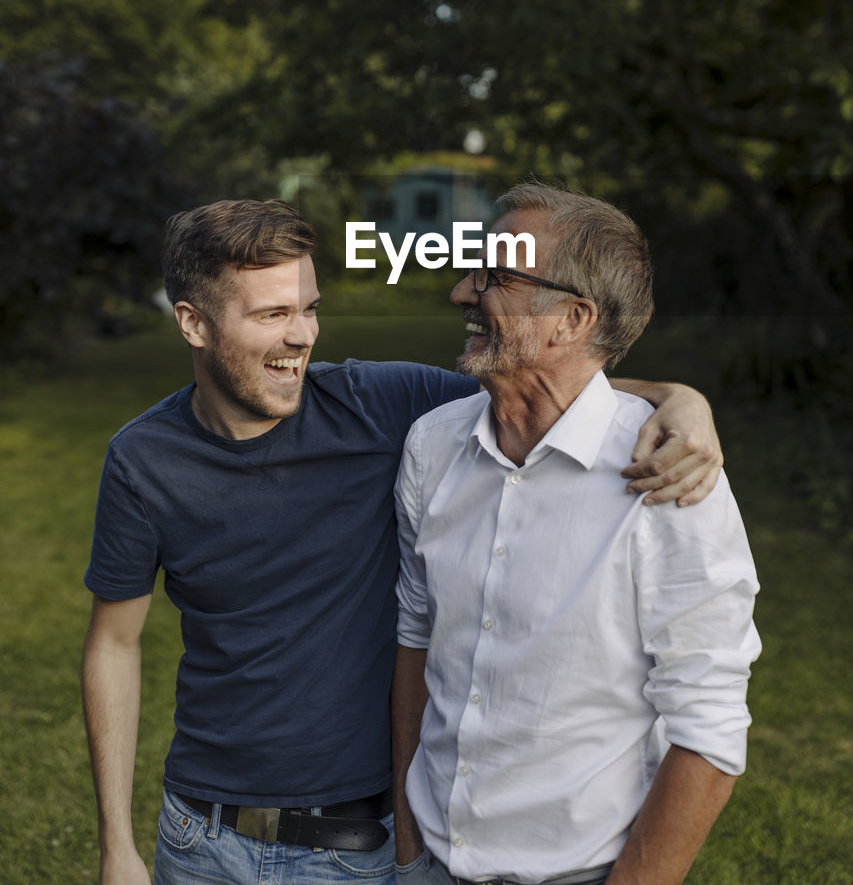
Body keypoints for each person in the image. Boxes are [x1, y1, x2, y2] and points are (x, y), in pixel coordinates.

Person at [82, 197, 726, 885]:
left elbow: (540, 382)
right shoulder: (141, 460)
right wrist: (118, 845)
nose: (302, 336)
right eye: (272, 315)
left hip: (354, 848)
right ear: (193, 324)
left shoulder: (379, 406)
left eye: (308, 308)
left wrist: (678, 396)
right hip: (199, 836)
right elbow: (114, 643)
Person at [392, 184, 761, 885]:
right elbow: (414, 638)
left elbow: (708, 730)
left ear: (571, 317)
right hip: (427, 863)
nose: (461, 292)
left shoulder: (666, 474)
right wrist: (408, 850)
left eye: (495, 276)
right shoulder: (431, 444)